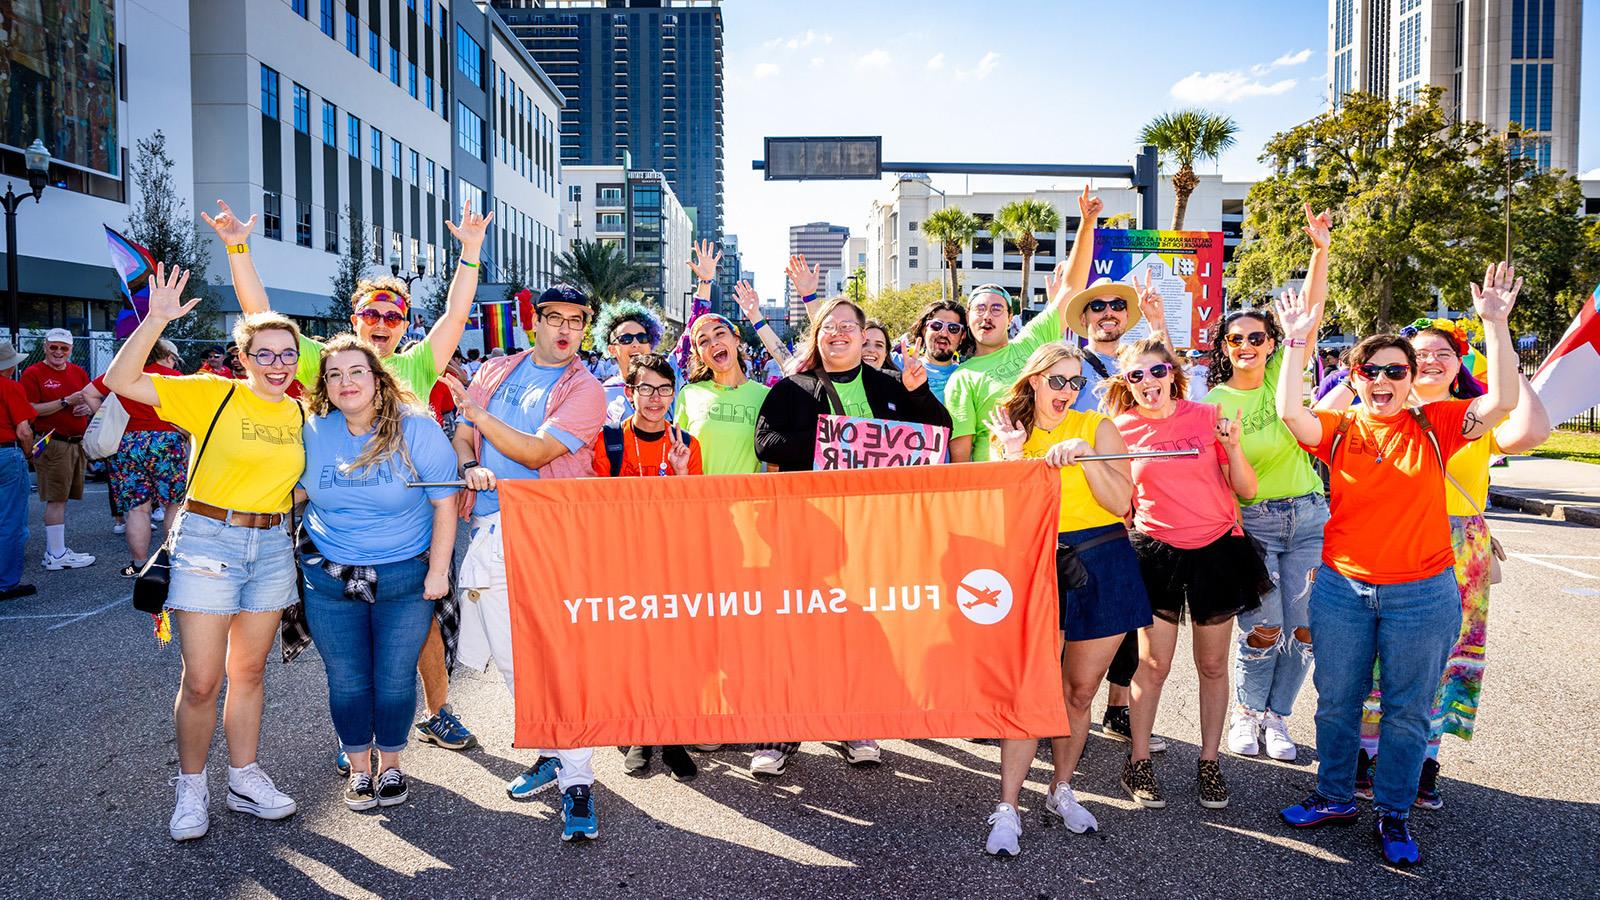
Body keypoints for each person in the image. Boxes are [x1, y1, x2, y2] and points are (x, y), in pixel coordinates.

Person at [205, 196, 491, 759]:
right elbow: (262, 321)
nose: (381, 325)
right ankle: (359, 735)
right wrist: (238, 247)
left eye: (393, 316)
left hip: (412, 532)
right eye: (371, 315)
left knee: (425, 630)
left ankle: (436, 713)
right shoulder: (325, 360)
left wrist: (472, 253)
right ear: (354, 318)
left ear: (405, 323)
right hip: (342, 532)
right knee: (353, 650)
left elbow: (456, 317)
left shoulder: (415, 365)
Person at [1272, 263, 1521, 867]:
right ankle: (1334, 796)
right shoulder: (1338, 427)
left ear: (1412, 379)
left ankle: (1394, 812)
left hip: (1423, 592)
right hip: (1343, 589)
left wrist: (1495, 325)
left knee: (1409, 709)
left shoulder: (1436, 423)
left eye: (1396, 371)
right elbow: (1289, 412)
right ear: (1355, 377)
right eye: (1371, 370)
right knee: (1337, 699)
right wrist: (1296, 344)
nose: (1383, 379)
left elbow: (1505, 400)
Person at [104, 264, 306, 842]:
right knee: (202, 680)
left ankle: (244, 778)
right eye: (264, 355)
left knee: (249, 671)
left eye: (286, 355)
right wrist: (156, 320)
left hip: (271, 545)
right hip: (207, 543)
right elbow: (122, 379)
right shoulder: (210, 394)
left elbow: (308, 478)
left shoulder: (298, 413)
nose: (277, 366)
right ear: (244, 359)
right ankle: (191, 787)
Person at [1319, 315, 1550, 810]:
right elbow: (1318, 419)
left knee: (1435, 669)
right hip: (1377, 546)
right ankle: (1362, 758)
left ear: (1461, 362)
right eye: (1418, 354)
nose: (1429, 361)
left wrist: (1505, 356)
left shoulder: (1465, 414)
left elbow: (1529, 430)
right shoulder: (1381, 408)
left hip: (1455, 550)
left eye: (1444, 353)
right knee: (1367, 669)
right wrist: (1363, 380)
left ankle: (1420, 764)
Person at [748, 297, 950, 775]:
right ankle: (780, 730)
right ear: (817, 338)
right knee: (797, 630)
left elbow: (938, 433)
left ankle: (854, 720)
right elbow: (765, 442)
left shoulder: (893, 385)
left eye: (847, 327)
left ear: (864, 338)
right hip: (806, 529)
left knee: (859, 630)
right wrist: (838, 437)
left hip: (873, 532)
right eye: (827, 328)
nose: (836, 333)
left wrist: (919, 396)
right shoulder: (792, 388)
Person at [447, 282, 607, 842]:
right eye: (555, 318)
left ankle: (579, 779)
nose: (565, 329)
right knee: (513, 661)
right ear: (534, 322)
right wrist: (469, 463)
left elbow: (537, 452)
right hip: (490, 529)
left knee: (556, 660)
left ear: (585, 328)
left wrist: (477, 418)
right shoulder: (497, 370)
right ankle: (550, 754)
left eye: (577, 321)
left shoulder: (585, 389)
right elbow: (465, 435)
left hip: (547, 533)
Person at [980, 343, 1148, 856]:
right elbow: (1000, 514)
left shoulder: (1096, 426)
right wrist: (1013, 457)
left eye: (1075, 382)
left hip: (1103, 559)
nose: (1066, 391)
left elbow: (1122, 502)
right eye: (1056, 381)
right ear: (1033, 381)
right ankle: (1007, 805)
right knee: (1032, 688)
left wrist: (1088, 458)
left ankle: (1061, 789)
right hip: (1036, 563)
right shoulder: (1009, 429)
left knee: (1079, 692)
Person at [1102, 338, 1267, 812]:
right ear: (1125, 383)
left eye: (1156, 372)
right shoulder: (1119, 429)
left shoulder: (1204, 415)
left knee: (1212, 666)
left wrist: (1233, 447)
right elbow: (1116, 497)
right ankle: (1138, 760)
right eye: (1136, 376)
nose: (1147, 383)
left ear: (1172, 374)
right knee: (1153, 666)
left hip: (1217, 551)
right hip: (1156, 553)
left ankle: (1210, 762)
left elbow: (1247, 489)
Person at [299, 335, 460, 812]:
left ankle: (390, 766)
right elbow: (296, 491)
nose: (346, 382)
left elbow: (444, 503)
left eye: (356, 372)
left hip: (404, 578)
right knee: (346, 679)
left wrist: (438, 572)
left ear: (378, 378)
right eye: (334, 375)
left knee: (393, 678)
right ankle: (359, 769)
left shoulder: (417, 429)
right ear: (324, 387)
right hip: (329, 577)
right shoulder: (312, 429)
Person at [1205, 205, 1333, 762]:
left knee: (1303, 630)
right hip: (1252, 524)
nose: (1248, 346)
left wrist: (1320, 249)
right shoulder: (1211, 402)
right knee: (1263, 626)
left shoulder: (1287, 381)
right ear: (1225, 348)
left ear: (1271, 343)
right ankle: (1247, 712)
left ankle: (1278, 719)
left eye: (1257, 337)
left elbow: (1310, 310)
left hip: (1308, 518)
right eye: (1237, 340)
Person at [592, 352, 702, 781]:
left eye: (663, 389)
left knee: (674, 652)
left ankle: (672, 736)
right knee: (633, 650)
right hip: (624, 562)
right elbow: (595, 506)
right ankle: (640, 733)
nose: (655, 398)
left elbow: (696, 513)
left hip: (673, 562)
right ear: (629, 392)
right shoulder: (609, 441)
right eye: (646, 389)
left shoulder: (687, 445)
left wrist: (679, 476)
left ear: (673, 393)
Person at [947, 186, 1103, 463]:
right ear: (968, 318)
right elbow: (961, 455)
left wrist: (1087, 224)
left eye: (997, 309)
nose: (987, 316)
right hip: (1000, 482)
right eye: (980, 309)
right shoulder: (962, 378)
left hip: (1055, 470)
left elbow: (1071, 287)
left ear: (1010, 318)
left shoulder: (1033, 340)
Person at [82, 338, 188, 577]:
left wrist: (107, 415)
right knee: (174, 503)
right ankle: (171, 562)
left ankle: (139, 565)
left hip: (127, 440)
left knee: (137, 509)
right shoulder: (174, 377)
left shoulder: (122, 374)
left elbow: (88, 393)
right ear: (167, 356)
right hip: (166, 440)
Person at [21, 327, 96, 570]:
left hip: (75, 443)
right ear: (45, 347)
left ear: (71, 350)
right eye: (53, 347)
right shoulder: (33, 373)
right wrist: (65, 402)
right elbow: (30, 409)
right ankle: (56, 554)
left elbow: (86, 400)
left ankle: (58, 550)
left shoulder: (78, 372)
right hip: (52, 443)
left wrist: (85, 408)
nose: (58, 352)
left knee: (63, 499)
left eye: (63, 348)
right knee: (56, 500)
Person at [674, 313, 769, 475]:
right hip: (701, 497)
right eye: (703, 341)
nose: (713, 343)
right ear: (699, 356)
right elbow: (677, 455)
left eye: (720, 333)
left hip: (749, 498)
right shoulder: (689, 394)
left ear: (736, 340)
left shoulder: (765, 396)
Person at [0, 341, 37, 600]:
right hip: (6, 452)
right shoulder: (10, 387)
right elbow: (24, 430)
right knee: (12, 521)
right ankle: (6, 581)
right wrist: (29, 453)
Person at [590, 299, 664, 426]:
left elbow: (688, 340)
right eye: (625, 339)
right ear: (612, 349)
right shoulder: (602, 395)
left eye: (642, 338)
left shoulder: (667, 386)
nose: (636, 344)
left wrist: (705, 282)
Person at [908, 299, 974, 404]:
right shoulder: (900, 366)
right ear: (924, 330)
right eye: (936, 325)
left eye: (953, 328)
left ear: (963, 336)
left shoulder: (969, 378)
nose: (943, 333)